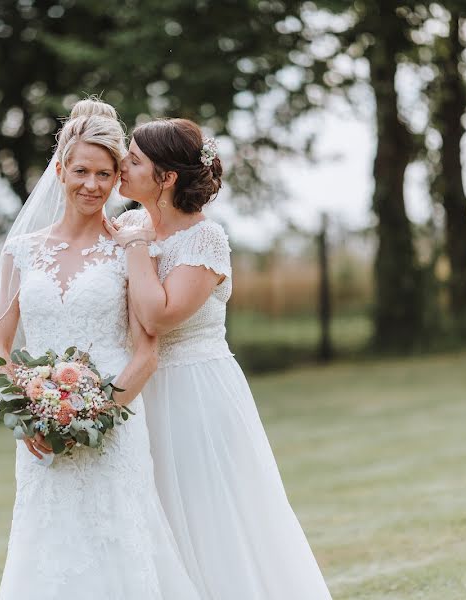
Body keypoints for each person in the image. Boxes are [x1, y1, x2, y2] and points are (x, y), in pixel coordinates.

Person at [0, 101, 204, 600]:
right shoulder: (21, 250)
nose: (92, 184)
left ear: (116, 177)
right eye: (81, 170)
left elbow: (146, 354)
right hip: (37, 435)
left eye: (105, 173)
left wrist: (91, 415)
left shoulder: (129, 246)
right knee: (47, 552)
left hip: (115, 426)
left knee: (121, 547)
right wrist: (26, 416)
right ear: (59, 168)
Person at [106, 117, 333, 599]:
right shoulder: (127, 223)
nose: (121, 165)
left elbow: (157, 315)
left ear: (165, 178)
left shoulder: (204, 240)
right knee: (155, 512)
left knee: (211, 514)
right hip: (140, 389)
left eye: (134, 160)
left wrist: (138, 248)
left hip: (196, 393)